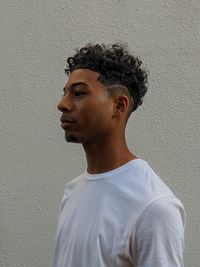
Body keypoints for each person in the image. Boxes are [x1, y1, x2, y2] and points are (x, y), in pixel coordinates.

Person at [53, 43, 185, 267]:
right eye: (65, 93)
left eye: (78, 93)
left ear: (119, 105)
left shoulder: (154, 206)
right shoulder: (73, 191)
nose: (62, 104)